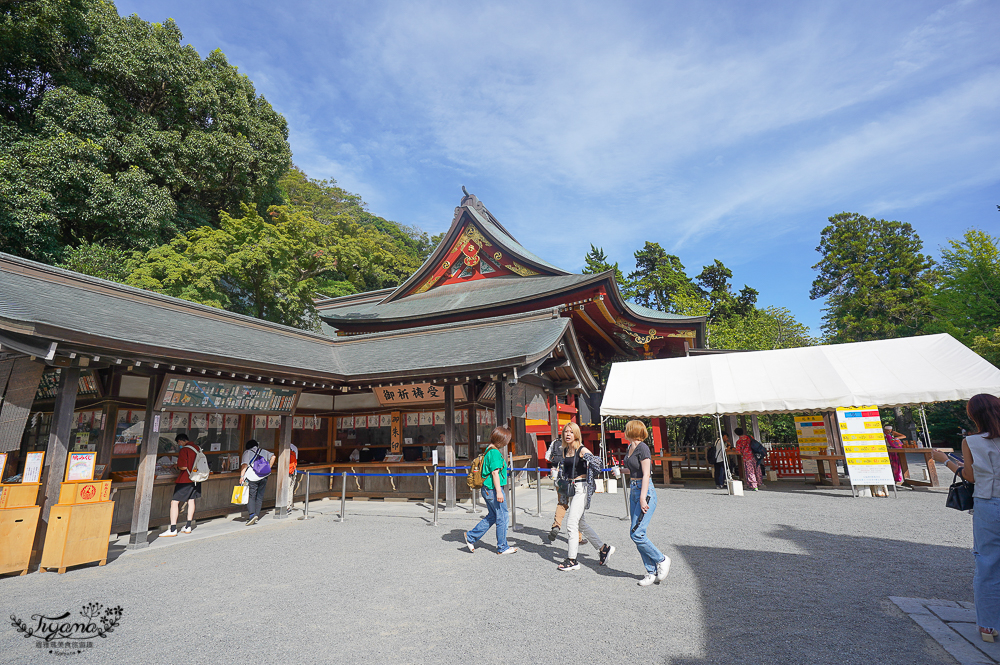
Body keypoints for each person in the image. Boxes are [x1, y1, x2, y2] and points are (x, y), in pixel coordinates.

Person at [932, 394, 1000, 643]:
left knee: (988, 564)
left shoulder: (971, 441)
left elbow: (970, 476)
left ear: (973, 415)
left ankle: (988, 626)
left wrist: (946, 461)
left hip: (989, 503)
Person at [557, 422, 614, 571]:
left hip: (582, 488)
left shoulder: (581, 450)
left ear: (576, 434)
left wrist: (590, 475)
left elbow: (598, 464)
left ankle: (572, 560)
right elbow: (566, 469)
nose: (568, 434)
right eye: (565, 432)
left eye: (571, 432)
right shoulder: (565, 450)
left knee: (571, 523)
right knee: (581, 524)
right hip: (572, 489)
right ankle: (603, 548)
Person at [623, 420, 670, 586]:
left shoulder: (643, 447)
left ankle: (662, 559)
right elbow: (632, 469)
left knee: (637, 533)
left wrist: (643, 497)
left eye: (626, 428)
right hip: (633, 489)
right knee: (635, 534)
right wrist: (620, 471)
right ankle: (651, 572)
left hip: (645, 491)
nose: (624, 431)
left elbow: (646, 474)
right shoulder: (630, 448)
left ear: (632, 430)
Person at [464, 426, 518, 555]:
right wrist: (499, 492)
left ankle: (471, 536)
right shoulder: (494, 453)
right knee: (502, 517)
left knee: (493, 516)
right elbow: (495, 473)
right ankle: (502, 547)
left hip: (487, 489)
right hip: (493, 490)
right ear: (503, 440)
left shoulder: (489, 449)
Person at [546, 436, 585, 545]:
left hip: (560, 479)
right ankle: (578, 537)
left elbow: (547, 456)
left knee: (562, 503)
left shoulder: (555, 442)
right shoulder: (577, 445)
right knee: (576, 507)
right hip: (574, 481)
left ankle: (556, 525)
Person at [162, 434, 203, 537]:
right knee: (191, 500)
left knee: (174, 502)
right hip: (196, 478)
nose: (178, 445)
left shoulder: (184, 450)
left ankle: (173, 529)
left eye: (178, 442)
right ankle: (188, 526)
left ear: (181, 441)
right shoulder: (197, 448)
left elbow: (183, 467)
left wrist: (177, 466)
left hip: (185, 479)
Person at [240, 439, 276, 526]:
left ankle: (252, 515)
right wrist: (268, 467)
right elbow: (273, 456)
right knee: (259, 496)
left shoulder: (247, 452)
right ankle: (256, 515)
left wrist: (241, 476)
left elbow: (245, 465)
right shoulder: (263, 451)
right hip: (263, 476)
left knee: (251, 496)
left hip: (252, 477)